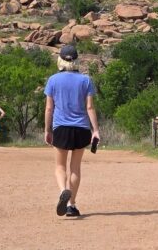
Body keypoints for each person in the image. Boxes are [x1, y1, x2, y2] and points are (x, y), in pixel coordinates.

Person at [44, 45, 100, 218]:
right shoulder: (86, 80)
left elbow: (48, 108)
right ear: (76, 60)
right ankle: (71, 205)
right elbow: (89, 107)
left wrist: (47, 130)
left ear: (60, 59)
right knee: (75, 167)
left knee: (60, 166)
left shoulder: (53, 80)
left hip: (60, 127)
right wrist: (95, 130)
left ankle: (63, 191)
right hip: (81, 128)